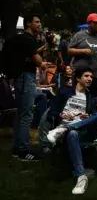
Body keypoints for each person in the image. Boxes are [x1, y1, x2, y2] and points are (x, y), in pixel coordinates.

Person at [46, 66, 97, 195]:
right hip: (67, 130)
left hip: (82, 129)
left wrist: (87, 116)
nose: (90, 79)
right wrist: (62, 115)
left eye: (91, 77)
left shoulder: (91, 96)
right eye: (86, 76)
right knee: (72, 134)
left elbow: (95, 115)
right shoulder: (64, 92)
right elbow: (51, 113)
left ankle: (65, 129)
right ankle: (81, 177)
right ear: (78, 78)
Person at [11, 14, 48, 161]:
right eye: (37, 22)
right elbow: (39, 62)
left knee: (20, 114)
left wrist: (37, 52)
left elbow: (28, 56)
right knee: (27, 115)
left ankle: (17, 147)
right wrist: (43, 63)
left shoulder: (22, 39)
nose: (39, 24)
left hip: (20, 77)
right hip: (27, 77)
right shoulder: (29, 39)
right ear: (28, 23)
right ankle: (24, 151)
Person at [68, 13, 97, 97]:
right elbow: (69, 51)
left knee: (95, 98)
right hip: (81, 75)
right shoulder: (79, 35)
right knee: (78, 96)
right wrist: (82, 51)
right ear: (89, 24)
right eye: (96, 23)